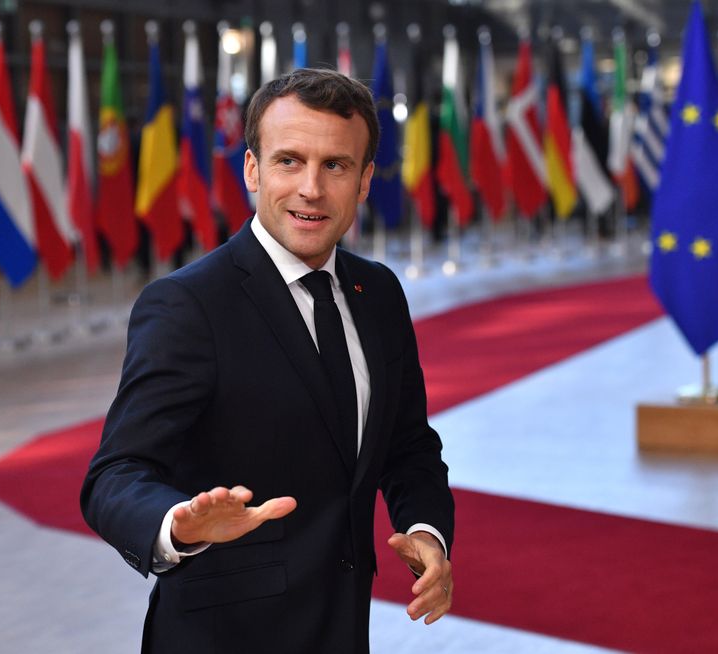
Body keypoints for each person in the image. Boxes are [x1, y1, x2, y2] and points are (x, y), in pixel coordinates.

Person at [81, 67, 455, 654]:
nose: (311, 188)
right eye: (289, 161)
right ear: (253, 169)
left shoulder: (379, 293)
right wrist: (177, 523)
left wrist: (426, 530)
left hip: (343, 632)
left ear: (364, 181)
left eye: (336, 165)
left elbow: (408, 445)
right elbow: (114, 474)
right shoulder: (188, 304)